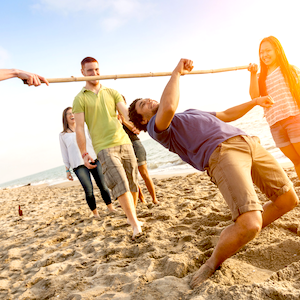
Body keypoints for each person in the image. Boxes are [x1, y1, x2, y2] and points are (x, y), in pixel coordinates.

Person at [128, 58, 299, 287]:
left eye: (146, 99)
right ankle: (213, 262)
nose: (148, 100)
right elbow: (168, 106)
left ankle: (245, 230)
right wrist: (176, 73)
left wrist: (255, 101)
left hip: (248, 142)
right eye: (142, 105)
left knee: (288, 200)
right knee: (250, 224)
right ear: (144, 120)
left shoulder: (190, 112)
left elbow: (226, 115)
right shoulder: (157, 130)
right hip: (222, 154)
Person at [72, 57, 142, 239]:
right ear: (82, 73)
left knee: (133, 182)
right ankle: (135, 224)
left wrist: (135, 124)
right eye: (89, 71)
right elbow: (79, 128)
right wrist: (84, 153)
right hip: (103, 147)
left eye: (96, 70)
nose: (94, 73)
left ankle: (131, 216)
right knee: (120, 183)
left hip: (124, 141)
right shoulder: (79, 99)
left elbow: (125, 113)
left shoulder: (112, 91)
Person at [248, 36, 300, 181]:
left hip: (294, 119)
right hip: (276, 126)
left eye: (267, 51)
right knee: (296, 161)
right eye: (261, 52)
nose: (264, 55)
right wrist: (253, 74)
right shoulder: (260, 77)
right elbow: (254, 97)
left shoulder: (290, 70)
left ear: (277, 50)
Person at [59, 107, 116, 219]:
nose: (72, 115)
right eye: (69, 114)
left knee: (103, 185)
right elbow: (64, 153)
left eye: (73, 113)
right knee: (88, 189)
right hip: (78, 165)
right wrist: (67, 170)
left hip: (93, 159)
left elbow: (94, 141)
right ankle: (95, 213)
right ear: (65, 117)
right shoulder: (63, 135)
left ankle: (110, 207)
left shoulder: (85, 127)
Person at [119, 95, 158, 205]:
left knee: (144, 174)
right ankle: (142, 199)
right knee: (132, 177)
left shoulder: (129, 115)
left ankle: (154, 199)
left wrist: (123, 121)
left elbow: (136, 130)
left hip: (135, 144)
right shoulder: (112, 117)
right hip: (122, 147)